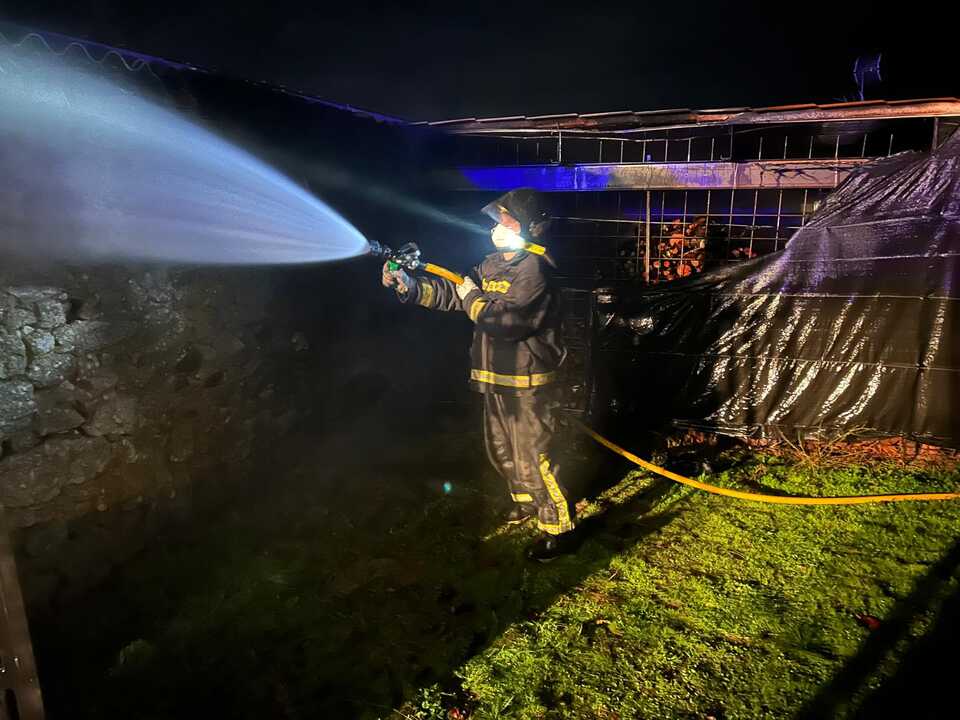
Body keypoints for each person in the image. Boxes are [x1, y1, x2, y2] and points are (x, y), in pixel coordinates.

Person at [381, 188, 577, 561]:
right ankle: (524, 503)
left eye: (509, 220)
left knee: (534, 457)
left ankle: (558, 529)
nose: (499, 226)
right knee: (501, 450)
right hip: (494, 377)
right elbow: (454, 293)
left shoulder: (536, 270)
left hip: (528, 381)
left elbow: (504, 323)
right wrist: (409, 286)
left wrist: (471, 296)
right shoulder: (491, 264)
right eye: (498, 219)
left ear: (532, 227)